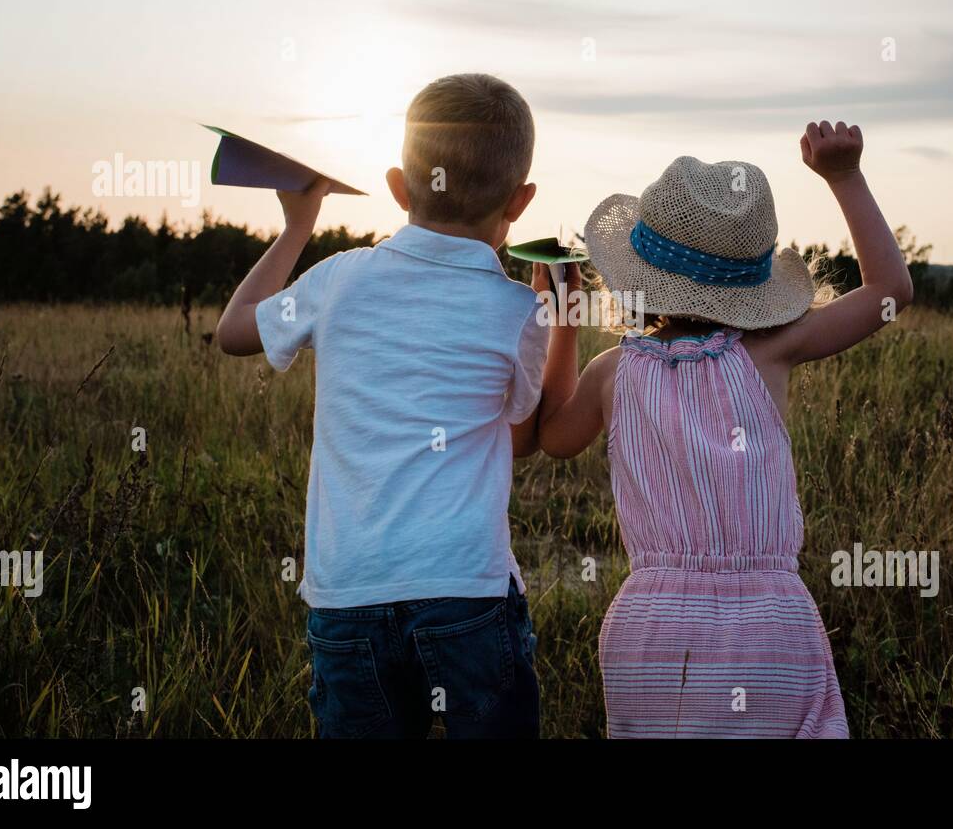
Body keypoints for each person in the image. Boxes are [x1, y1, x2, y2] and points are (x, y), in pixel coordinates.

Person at [537, 120, 912, 737]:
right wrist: (844, 176)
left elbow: (552, 438)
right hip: (770, 630)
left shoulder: (613, 372)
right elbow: (891, 290)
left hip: (649, 636)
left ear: (637, 271)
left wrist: (563, 320)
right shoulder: (769, 352)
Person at [216, 74, 548, 738]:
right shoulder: (520, 312)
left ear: (399, 187)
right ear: (522, 201)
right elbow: (525, 432)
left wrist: (297, 226)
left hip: (349, 594)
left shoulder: (337, 279)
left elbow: (233, 331)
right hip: (467, 590)